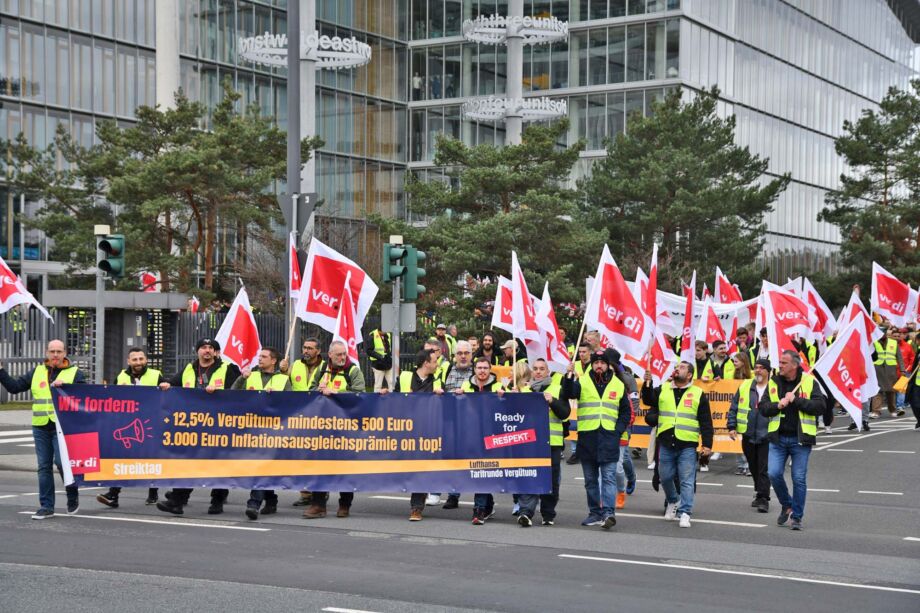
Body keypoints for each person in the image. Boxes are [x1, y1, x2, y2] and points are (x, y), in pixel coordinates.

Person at [0, 339, 85, 519]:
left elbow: (85, 398)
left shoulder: (75, 373)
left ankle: (72, 494)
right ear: (47, 353)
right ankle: (46, 506)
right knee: (43, 467)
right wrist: (0, 371)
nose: (55, 355)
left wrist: (68, 388)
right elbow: (14, 388)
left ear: (64, 353)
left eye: (58, 351)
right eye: (52, 351)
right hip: (40, 426)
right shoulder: (37, 371)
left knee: (62, 463)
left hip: (63, 427)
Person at [156, 337, 241, 516]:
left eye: (211, 348)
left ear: (216, 352)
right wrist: (167, 384)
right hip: (194, 424)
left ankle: (217, 502)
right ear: (198, 351)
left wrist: (220, 393)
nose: (207, 350)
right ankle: (177, 501)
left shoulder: (228, 369)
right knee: (190, 463)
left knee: (219, 464)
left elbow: (237, 392)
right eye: (203, 347)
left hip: (220, 424)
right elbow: (174, 383)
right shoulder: (190, 368)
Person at [560, 350, 631, 530]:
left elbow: (625, 412)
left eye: (602, 363)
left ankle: (608, 513)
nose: (599, 365)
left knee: (608, 477)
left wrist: (617, 431)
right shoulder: (582, 381)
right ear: (592, 365)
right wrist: (568, 377)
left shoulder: (618, 384)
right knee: (590, 480)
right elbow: (568, 393)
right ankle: (594, 513)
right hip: (588, 437)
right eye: (596, 362)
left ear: (608, 365)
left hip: (609, 437)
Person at [642, 360, 714, 529]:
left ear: (689, 375)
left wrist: (707, 445)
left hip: (687, 443)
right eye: (676, 367)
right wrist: (647, 383)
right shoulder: (663, 388)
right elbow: (648, 399)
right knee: (665, 477)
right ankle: (673, 501)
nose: (676, 369)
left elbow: (706, 422)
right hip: (666, 441)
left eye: (681, 368)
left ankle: (685, 512)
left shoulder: (698, 393)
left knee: (686, 480)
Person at [761, 350, 825, 531]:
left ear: (795, 365)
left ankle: (796, 517)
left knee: (798, 478)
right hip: (778, 438)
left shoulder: (809, 381)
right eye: (780, 362)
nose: (779, 365)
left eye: (783, 363)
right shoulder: (773, 382)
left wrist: (796, 400)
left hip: (800, 440)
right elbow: (763, 407)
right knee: (773, 473)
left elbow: (820, 406)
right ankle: (787, 504)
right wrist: (777, 405)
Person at [303, 340, 365, 519]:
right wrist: (318, 390)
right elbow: (310, 391)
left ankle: (344, 505)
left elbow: (360, 395)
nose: (342, 357)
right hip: (323, 428)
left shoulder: (353, 371)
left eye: (344, 354)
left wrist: (336, 393)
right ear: (330, 355)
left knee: (345, 467)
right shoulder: (322, 370)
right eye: (339, 354)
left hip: (346, 428)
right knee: (320, 466)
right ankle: (318, 505)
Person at [96, 347, 164, 509]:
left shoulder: (156, 375)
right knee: (123, 459)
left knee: (151, 459)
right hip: (127, 424)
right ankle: (113, 495)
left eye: (141, 359)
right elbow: (112, 399)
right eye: (135, 359)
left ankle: (153, 494)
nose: (138, 362)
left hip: (151, 424)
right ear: (128, 361)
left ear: (146, 359)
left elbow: (166, 397)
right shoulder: (121, 376)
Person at [382, 348, 443, 521]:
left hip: (427, 432)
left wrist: (442, 395)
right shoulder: (405, 377)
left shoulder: (437, 381)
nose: (437, 364)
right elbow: (395, 399)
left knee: (421, 468)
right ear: (426, 363)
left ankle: (416, 507)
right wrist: (385, 395)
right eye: (434, 361)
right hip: (406, 431)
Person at [232, 347, 291, 520]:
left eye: (264, 357)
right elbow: (232, 393)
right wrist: (241, 378)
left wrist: (276, 399)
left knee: (262, 465)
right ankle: (271, 499)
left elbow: (292, 403)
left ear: (273, 361)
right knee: (263, 466)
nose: (260, 359)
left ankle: (254, 504)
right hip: (251, 429)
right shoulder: (250, 375)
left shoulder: (282, 379)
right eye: (259, 356)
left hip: (273, 430)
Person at [516, 358, 569, 527]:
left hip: (551, 443)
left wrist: (552, 401)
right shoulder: (524, 390)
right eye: (536, 369)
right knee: (528, 476)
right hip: (529, 443)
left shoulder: (558, 389)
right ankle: (526, 512)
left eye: (542, 369)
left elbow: (565, 414)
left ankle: (548, 513)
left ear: (548, 372)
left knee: (551, 480)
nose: (538, 372)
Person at [456, 356, 505, 524]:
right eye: (479, 368)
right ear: (474, 370)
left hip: (491, 437)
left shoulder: (498, 386)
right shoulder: (466, 385)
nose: (482, 371)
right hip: (470, 435)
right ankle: (488, 504)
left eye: (485, 368)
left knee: (482, 471)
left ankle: (479, 510)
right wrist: (458, 396)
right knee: (477, 474)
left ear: (490, 370)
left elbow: (507, 408)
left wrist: (504, 397)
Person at [282, 337, 326, 507]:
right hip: (299, 417)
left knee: (318, 456)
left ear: (318, 351)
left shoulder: (325, 367)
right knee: (301, 456)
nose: (306, 351)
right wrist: (284, 372)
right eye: (305, 347)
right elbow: (286, 385)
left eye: (310, 348)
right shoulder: (295, 365)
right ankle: (306, 493)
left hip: (319, 416)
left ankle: (320, 491)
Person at [728, 358, 772, 512]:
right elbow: (734, 406)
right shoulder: (746, 385)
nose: (758, 370)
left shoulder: (774, 387)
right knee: (753, 466)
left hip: (767, 435)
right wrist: (731, 425)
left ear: (768, 371)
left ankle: (763, 498)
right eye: (756, 367)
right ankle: (759, 491)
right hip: (748, 433)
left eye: (761, 368)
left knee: (763, 468)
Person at [438, 340, 475, 509]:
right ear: (454, 355)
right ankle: (453, 494)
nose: (463, 356)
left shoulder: (479, 370)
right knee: (453, 460)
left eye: (466, 353)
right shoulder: (445, 370)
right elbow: (437, 386)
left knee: (477, 461)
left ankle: (482, 500)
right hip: (450, 421)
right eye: (459, 353)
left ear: (471, 355)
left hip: (472, 423)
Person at [567, 342, 594, 465]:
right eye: (580, 352)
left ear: (590, 352)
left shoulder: (594, 364)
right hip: (574, 398)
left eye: (584, 352)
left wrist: (579, 378)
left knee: (587, 425)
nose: (581, 354)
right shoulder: (574, 364)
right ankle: (575, 452)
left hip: (589, 397)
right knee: (573, 425)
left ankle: (586, 450)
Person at [871, 327, 905, 419]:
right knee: (878, 391)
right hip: (878, 370)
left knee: (891, 391)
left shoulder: (893, 342)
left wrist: (902, 370)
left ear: (885, 333)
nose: (881, 335)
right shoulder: (873, 342)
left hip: (891, 371)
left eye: (883, 333)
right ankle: (876, 411)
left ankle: (892, 410)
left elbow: (900, 357)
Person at [367, 328, 394, 392]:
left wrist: (389, 357)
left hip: (388, 362)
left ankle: (392, 399)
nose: (386, 332)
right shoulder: (372, 335)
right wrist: (380, 356)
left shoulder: (387, 334)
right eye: (384, 331)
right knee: (378, 385)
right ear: (379, 330)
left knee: (392, 383)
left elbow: (388, 348)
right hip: (378, 364)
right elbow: (369, 351)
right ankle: (376, 401)